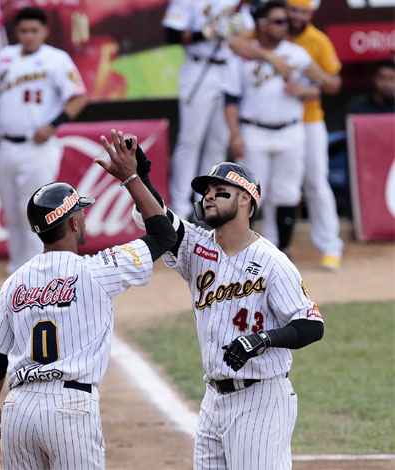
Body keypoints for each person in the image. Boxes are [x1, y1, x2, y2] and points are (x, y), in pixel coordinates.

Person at [0, 130, 177, 469]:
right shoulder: (97, 270)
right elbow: (163, 234)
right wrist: (132, 177)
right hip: (70, 408)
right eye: (81, 213)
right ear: (73, 222)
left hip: (18, 410)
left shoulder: (13, 283)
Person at [131, 157, 324, 468]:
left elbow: (312, 325)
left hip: (260, 400)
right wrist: (139, 177)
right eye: (206, 191)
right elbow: (158, 218)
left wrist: (261, 340)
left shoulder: (272, 262)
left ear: (245, 198)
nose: (209, 195)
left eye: (220, 190)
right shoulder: (196, 247)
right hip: (213, 400)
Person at [229, 0, 344, 270]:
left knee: (310, 184)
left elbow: (331, 83)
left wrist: (309, 87)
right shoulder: (255, 39)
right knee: (259, 190)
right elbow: (234, 44)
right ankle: (259, 251)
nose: (293, 19)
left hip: (307, 121)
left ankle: (328, 247)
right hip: (260, 125)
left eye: (301, 13)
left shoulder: (311, 42)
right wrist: (271, 57)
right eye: (290, 13)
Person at [0, 6, 87, 274]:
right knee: (11, 214)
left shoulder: (57, 59)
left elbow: (79, 96)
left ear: (44, 31)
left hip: (39, 146)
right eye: (23, 31)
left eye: (34, 30)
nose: (29, 36)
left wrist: (53, 124)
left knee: (36, 213)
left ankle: (38, 273)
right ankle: (17, 272)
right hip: (7, 145)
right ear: (16, 32)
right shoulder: (4, 58)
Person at [162, 0, 249, 220]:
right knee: (190, 141)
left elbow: (251, 26)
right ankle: (181, 207)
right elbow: (171, 34)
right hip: (199, 67)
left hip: (229, 68)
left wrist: (240, 28)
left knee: (218, 144)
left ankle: (205, 205)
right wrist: (210, 31)